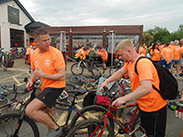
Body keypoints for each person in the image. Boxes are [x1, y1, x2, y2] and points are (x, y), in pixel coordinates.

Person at [99, 39, 167, 137]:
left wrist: (124, 98)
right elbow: (120, 73)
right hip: (144, 105)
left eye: (121, 55)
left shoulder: (143, 64)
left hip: (154, 108)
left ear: (129, 51)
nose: (120, 58)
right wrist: (106, 81)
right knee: (147, 132)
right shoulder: (130, 62)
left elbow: (146, 88)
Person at [25, 28, 66, 137]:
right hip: (45, 87)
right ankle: (54, 132)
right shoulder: (34, 54)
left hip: (56, 86)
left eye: (48, 39)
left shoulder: (56, 53)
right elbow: (35, 71)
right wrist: (31, 80)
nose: (48, 42)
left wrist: (43, 75)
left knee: (30, 110)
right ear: (36, 42)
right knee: (49, 114)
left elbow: (62, 76)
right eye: (44, 40)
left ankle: (56, 129)